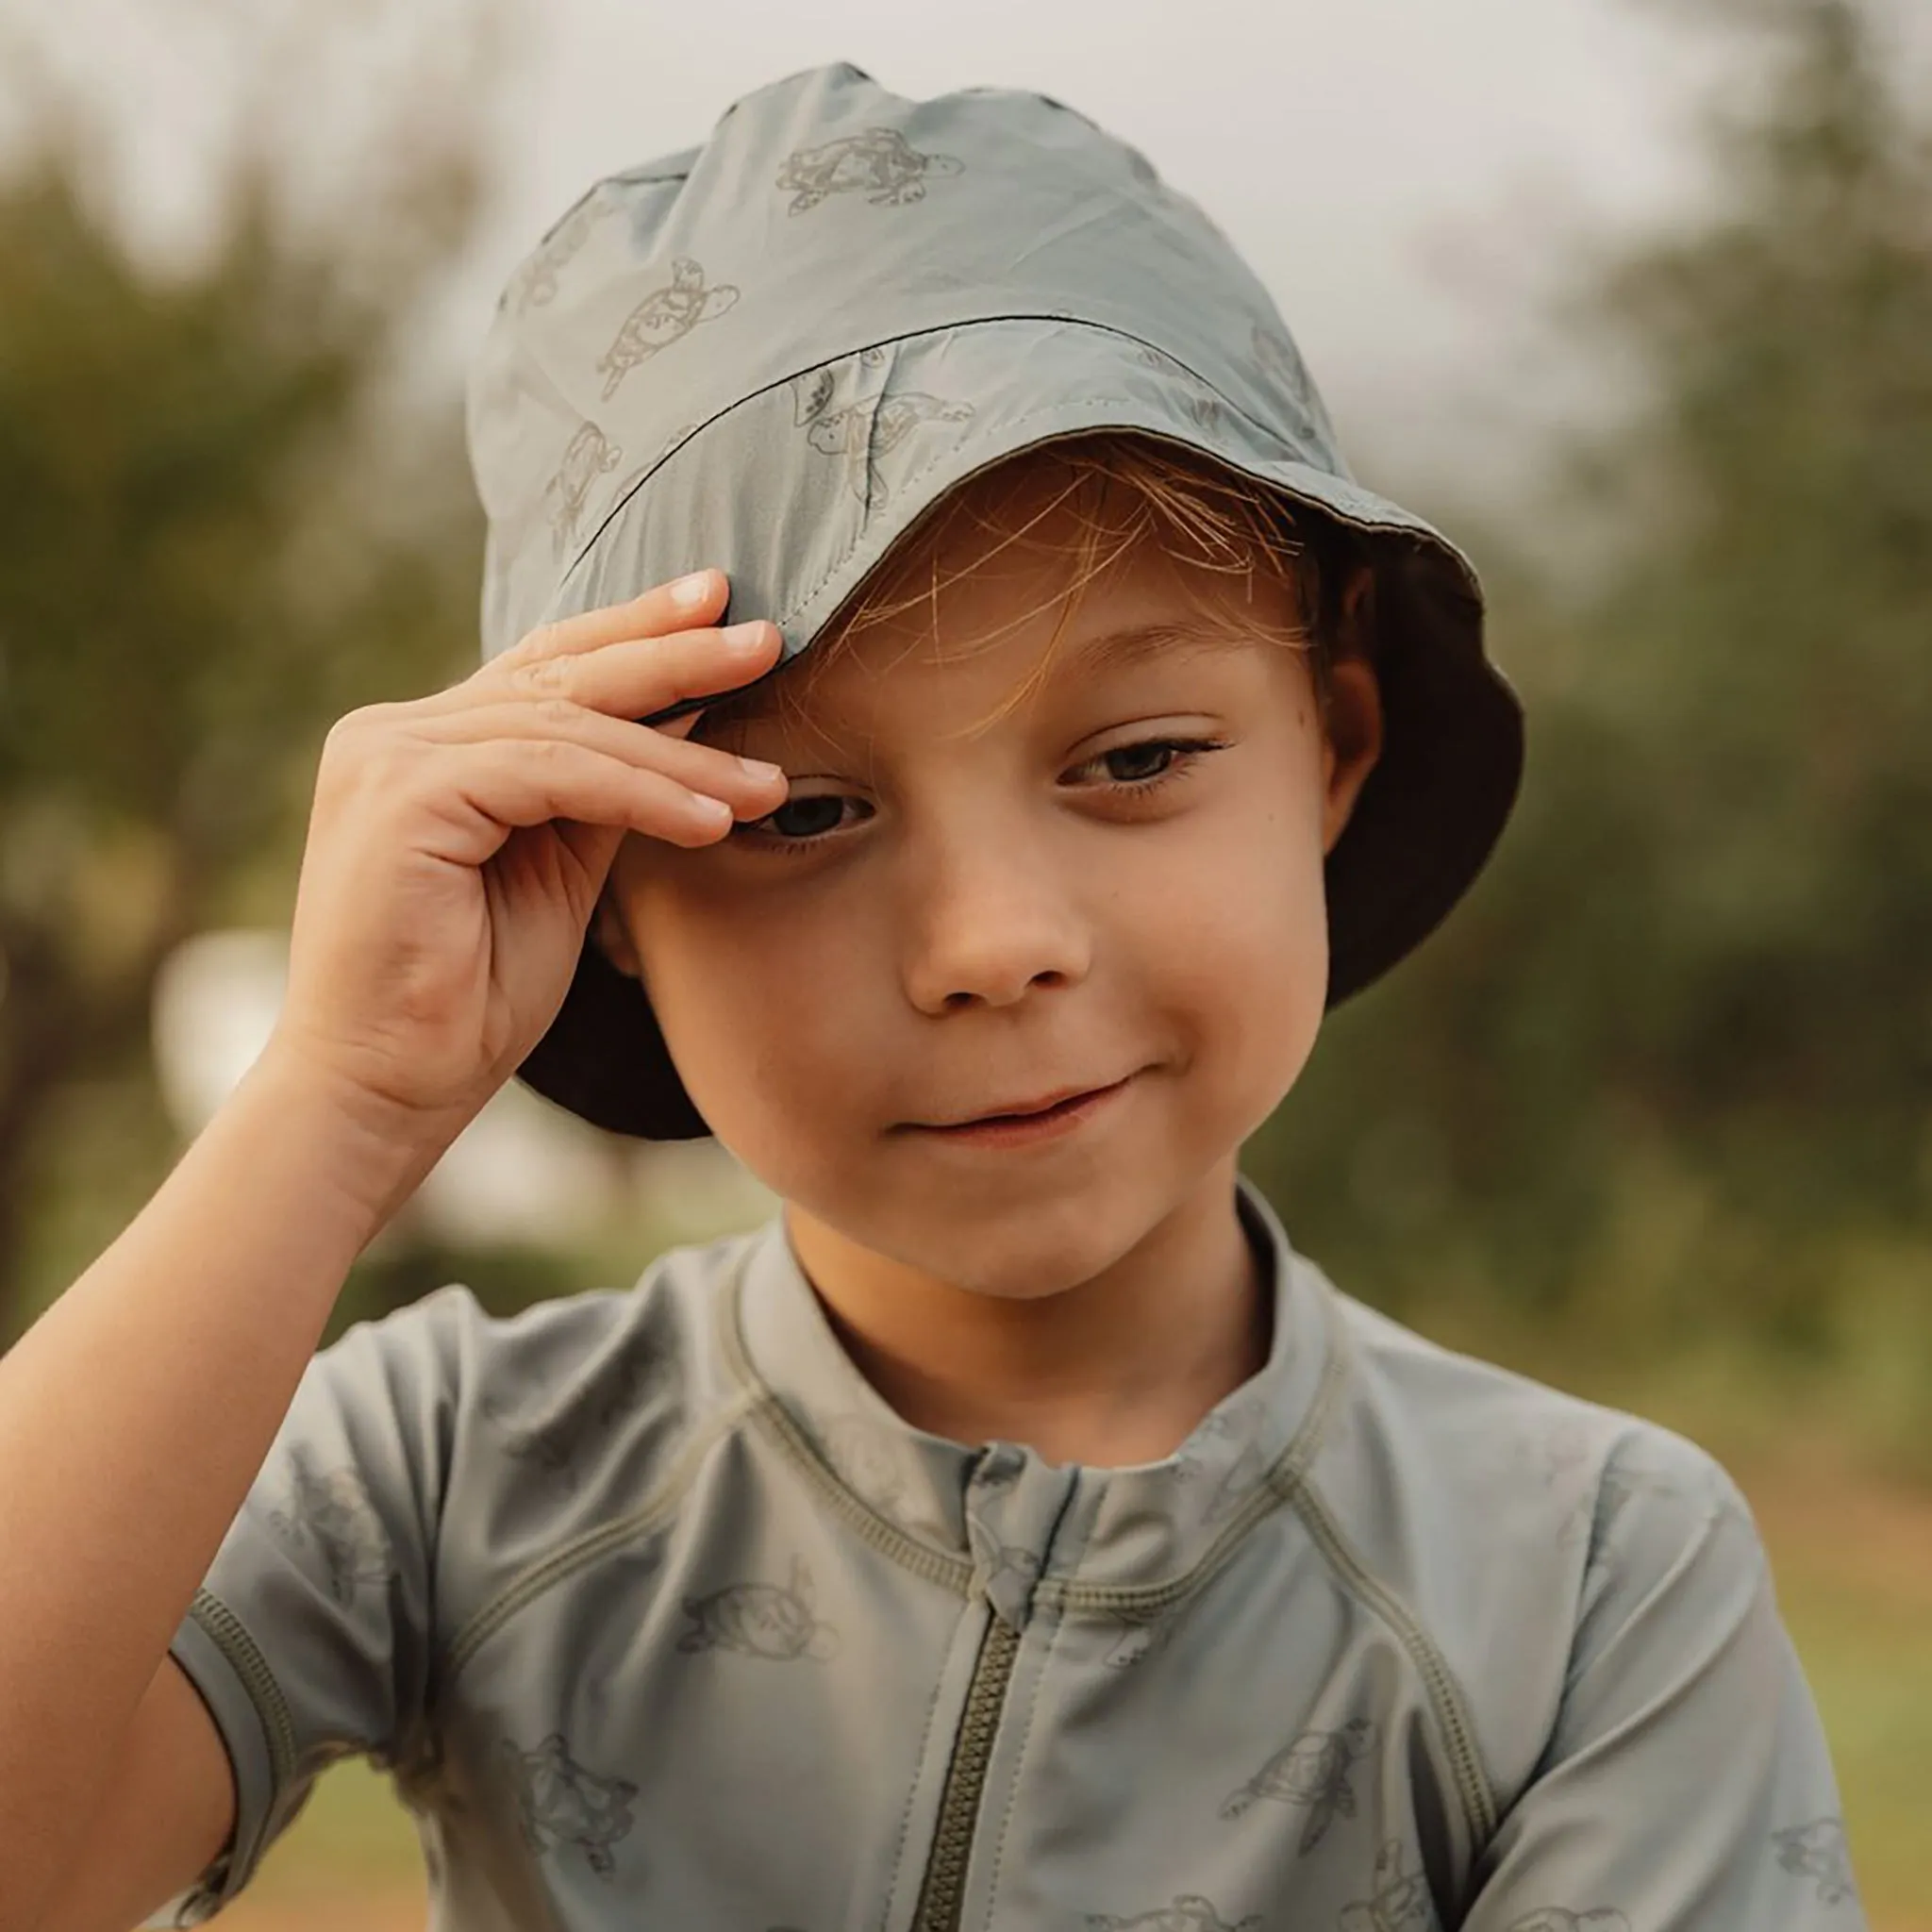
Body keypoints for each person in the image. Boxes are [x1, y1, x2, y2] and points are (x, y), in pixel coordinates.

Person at [0, 62, 1865, 1932]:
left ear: (1333, 751)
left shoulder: (1588, 1584)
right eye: (799, 808)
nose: (989, 941)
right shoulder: (450, 1476)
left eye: (1132, 758)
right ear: (610, 889)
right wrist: (332, 1104)